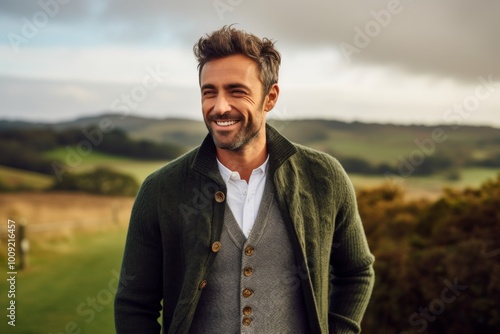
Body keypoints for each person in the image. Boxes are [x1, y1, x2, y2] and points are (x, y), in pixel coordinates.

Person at [114, 25, 375, 334]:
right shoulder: (160, 189)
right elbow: (134, 304)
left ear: (270, 97)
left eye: (236, 91)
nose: (219, 106)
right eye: (209, 92)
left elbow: (356, 272)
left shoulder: (324, 178)